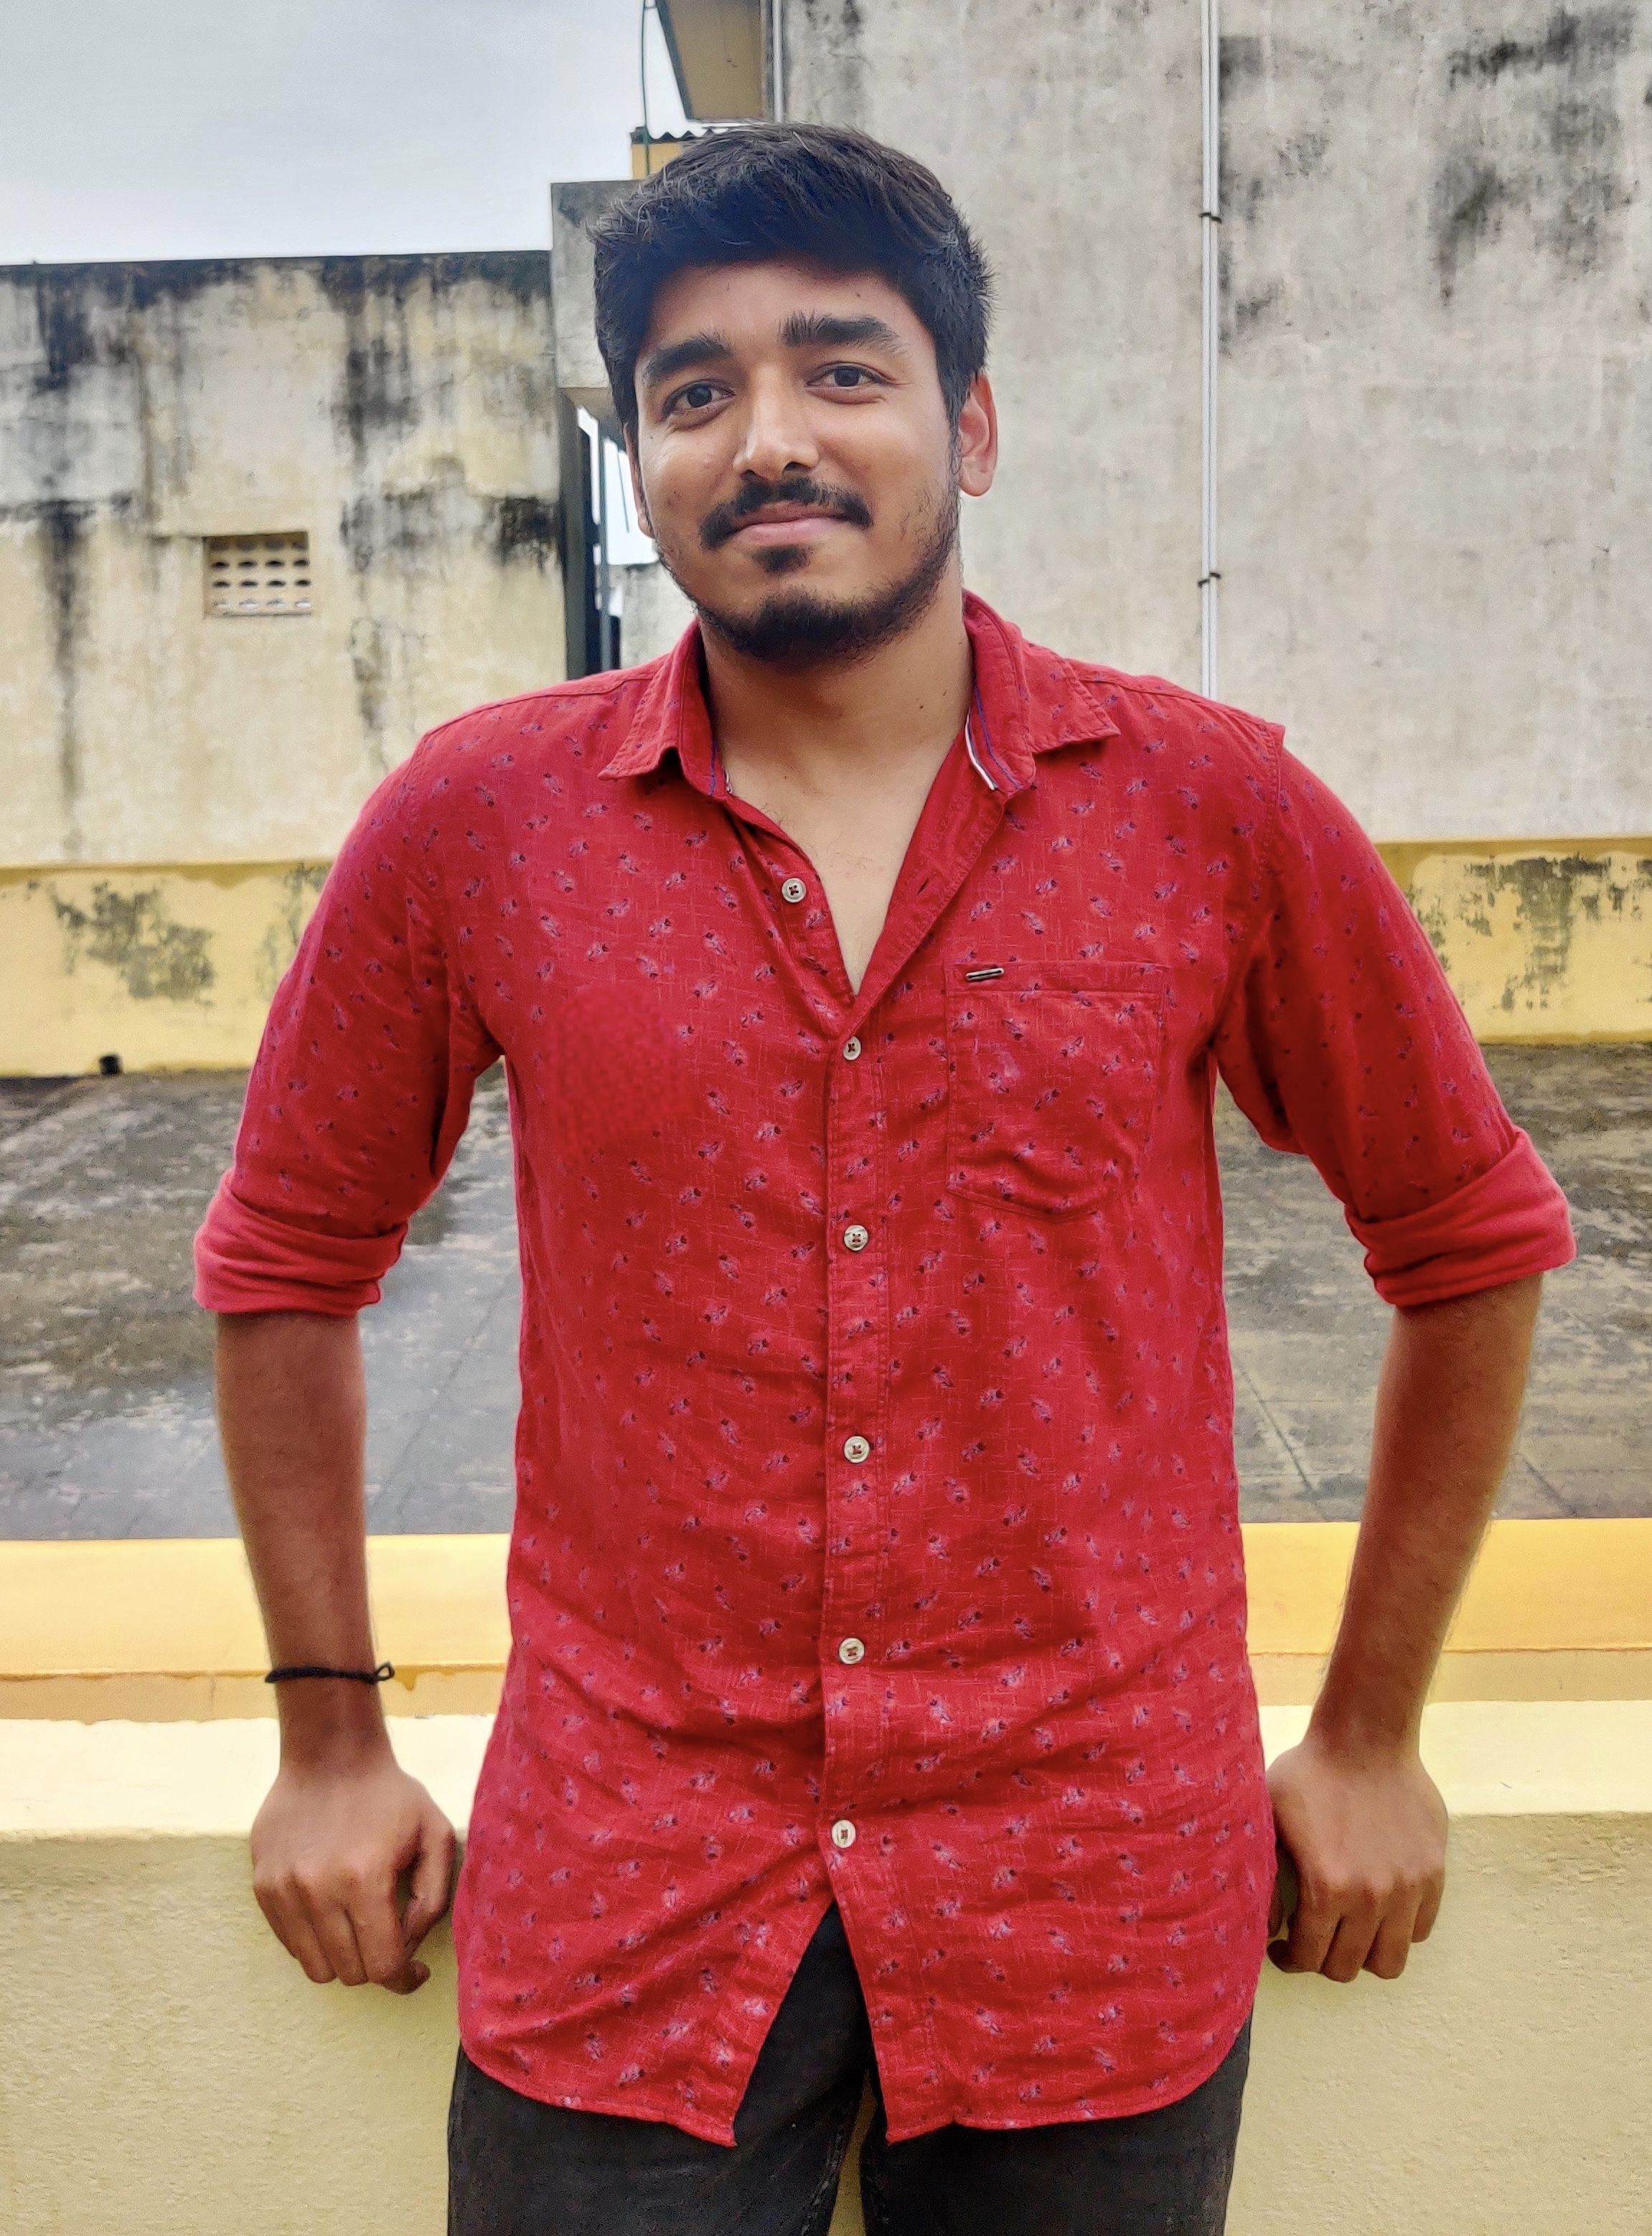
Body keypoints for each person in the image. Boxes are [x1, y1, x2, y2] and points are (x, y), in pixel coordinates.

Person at [195, 123, 1574, 2236]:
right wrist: (326, 1740)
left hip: (1092, 1882)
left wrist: (1373, 1730)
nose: (769, 436)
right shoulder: (480, 825)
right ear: (642, 459)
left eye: (843, 369)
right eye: (695, 391)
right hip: (634, 1888)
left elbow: (1467, 1237)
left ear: (973, 426)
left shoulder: (1209, 811)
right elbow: (289, 1257)